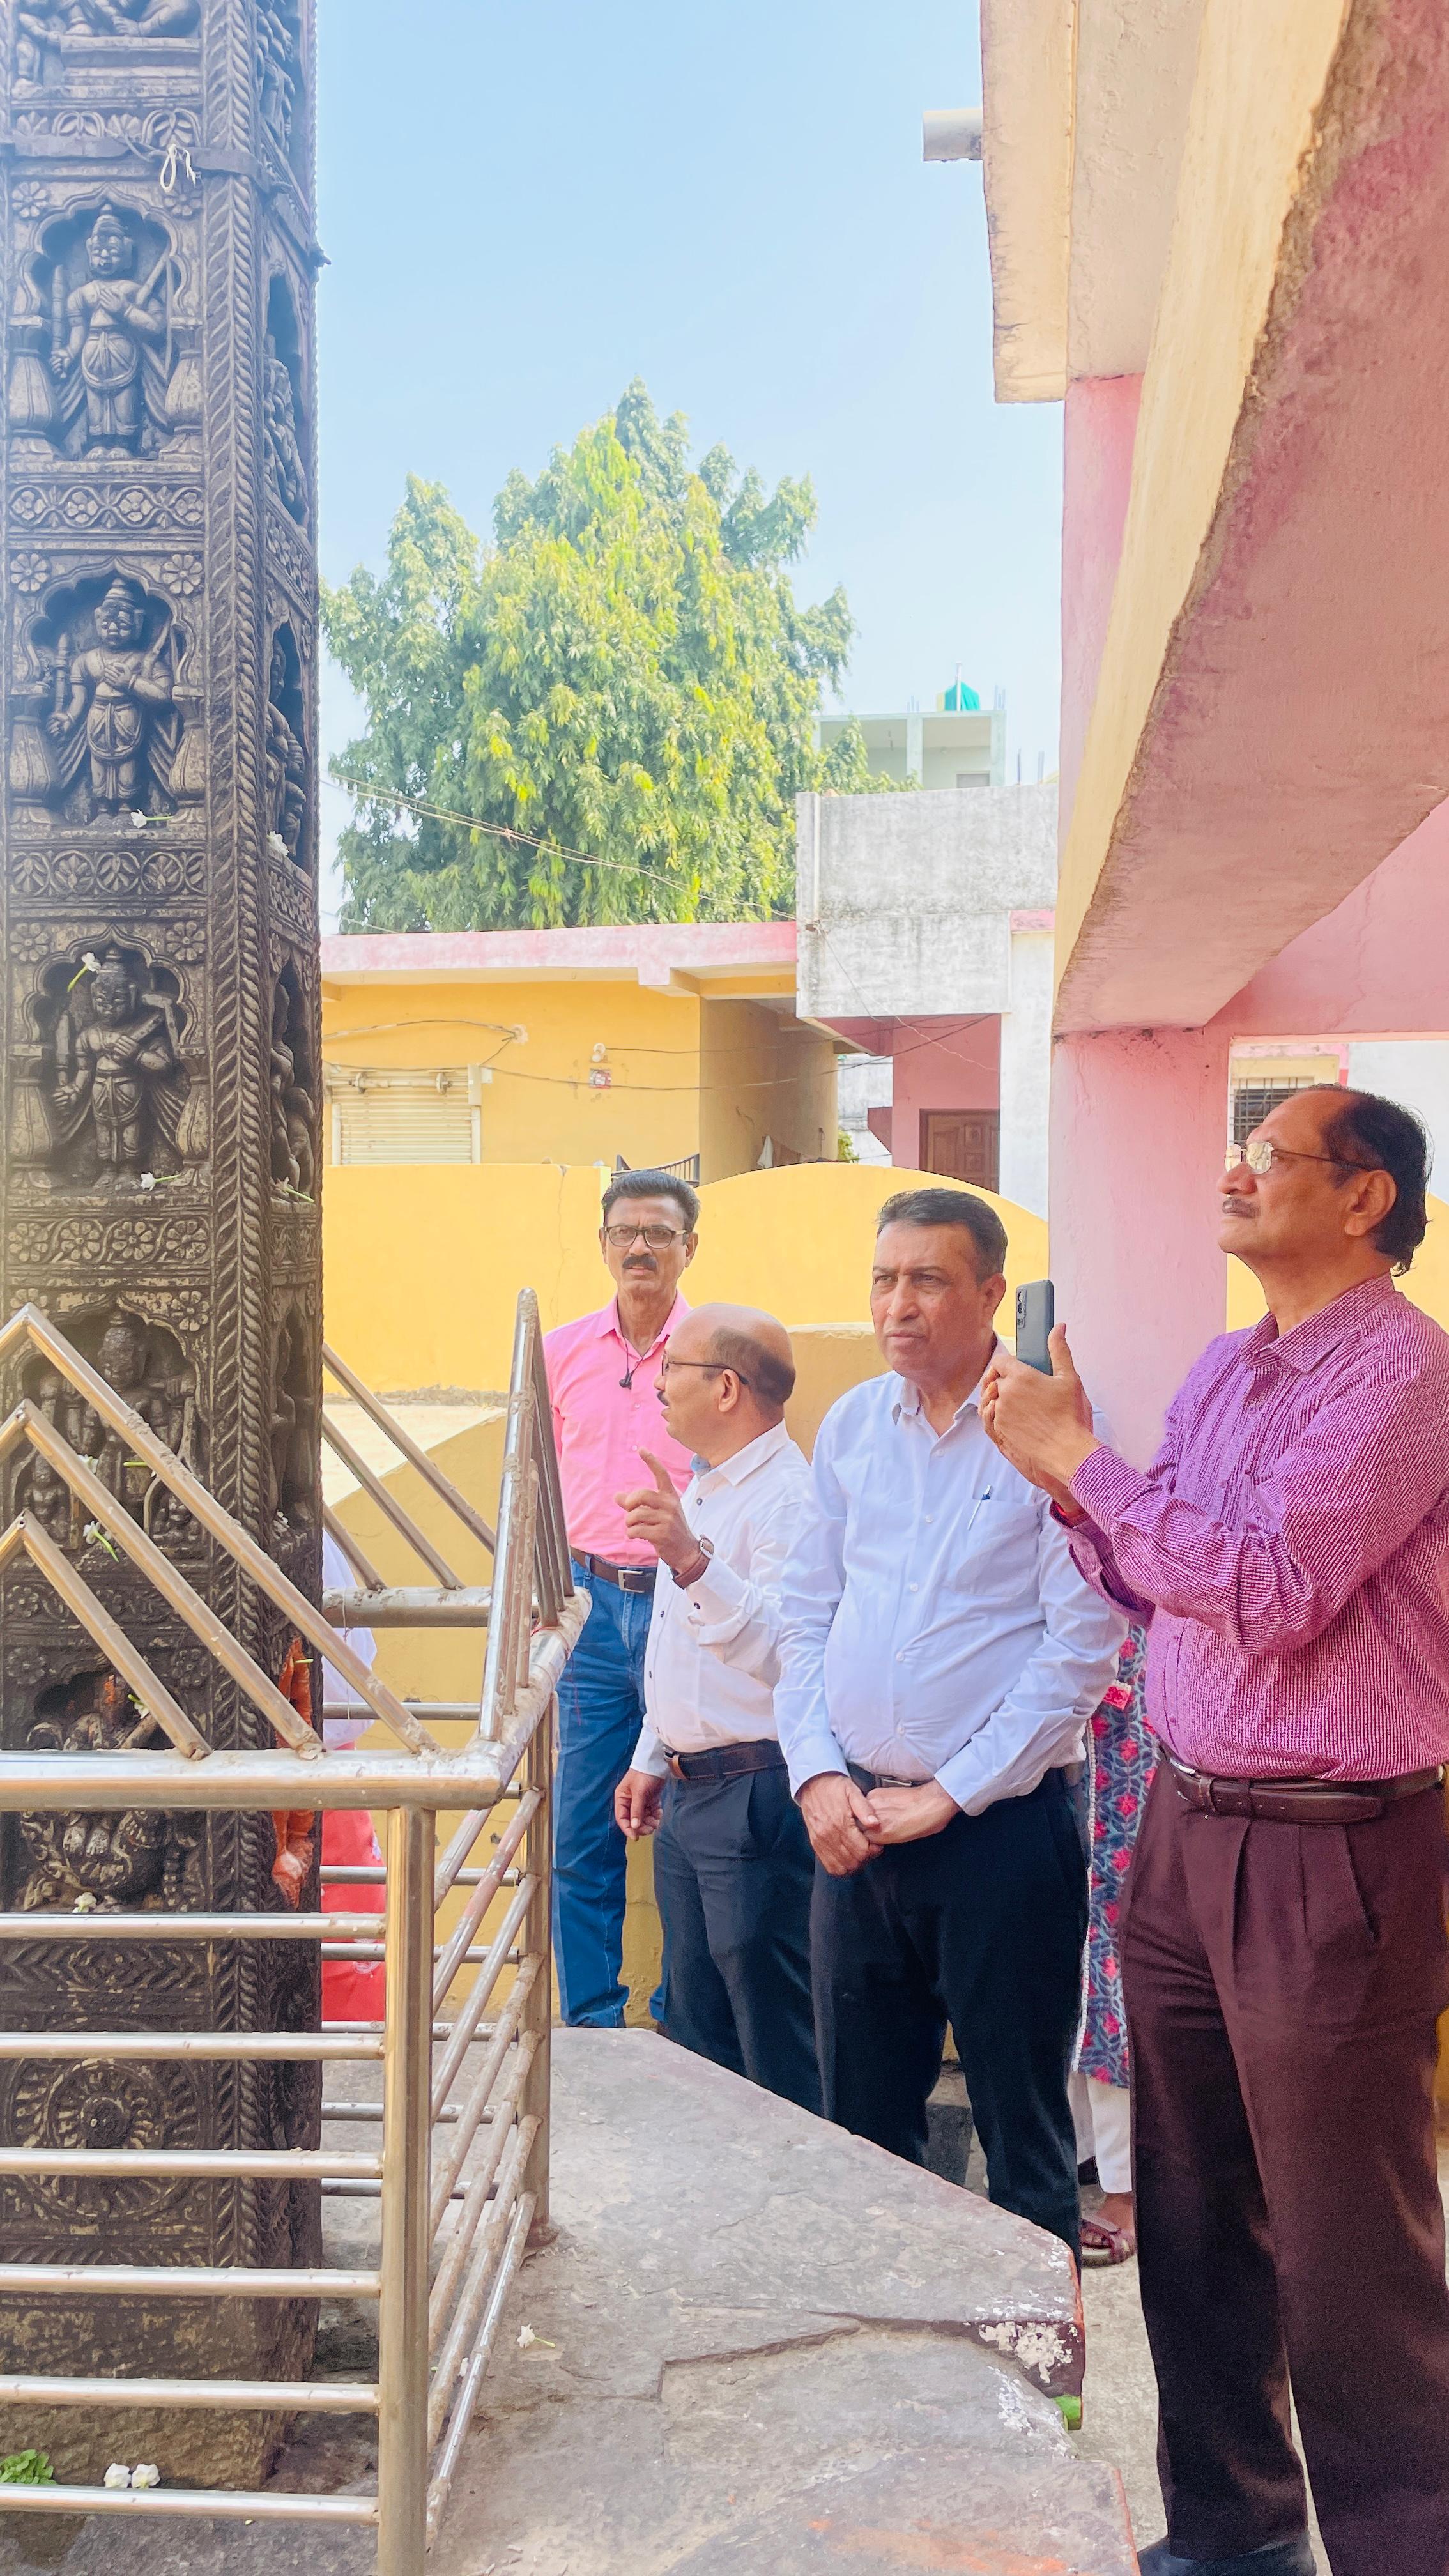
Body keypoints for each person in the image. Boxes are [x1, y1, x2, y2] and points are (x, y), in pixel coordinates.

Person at [982, 1086, 1449, 2576]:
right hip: (1185, 1825)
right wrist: (1076, 1498)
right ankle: (1232, 2539)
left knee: (1349, 2249)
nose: (1235, 1174)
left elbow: (1273, 1588)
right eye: (1237, 1151)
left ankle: (1403, 2551)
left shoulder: (1407, 1375)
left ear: (1366, 1198)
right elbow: (1160, 1580)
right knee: (1191, 2218)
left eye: (1271, 1155)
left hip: (1334, 1847)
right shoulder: (1227, 1365)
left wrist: (1085, 1466)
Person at [774, 1187, 1126, 2256]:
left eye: (928, 1280)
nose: (899, 1304)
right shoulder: (851, 1425)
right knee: (863, 2133)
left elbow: (1080, 1650)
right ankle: (884, 2338)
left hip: (999, 1838)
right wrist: (815, 1775)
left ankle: (1037, 2353)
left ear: (990, 1293)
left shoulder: (1044, 1432)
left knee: (1021, 2134)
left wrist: (950, 1793)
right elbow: (804, 1615)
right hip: (854, 1833)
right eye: (884, 1279)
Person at [613, 1304, 819, 2113]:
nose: (657, 1383)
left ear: (727, 1388)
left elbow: (788, 1654)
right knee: (699, 2033)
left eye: (673, 1367)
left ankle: (798, 2182)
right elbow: (679, 1644)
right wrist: (652, 1754)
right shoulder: (704, 1487)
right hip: (692, 1793)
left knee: (773, 2031)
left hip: (757, 1793)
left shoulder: (788, 1500)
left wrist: (690, 1558)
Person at [544, 1169, 700, 2027]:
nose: (641, 1248)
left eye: (659, 1233)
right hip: (588, 1611)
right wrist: (538, 1601)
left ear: (688, 1248)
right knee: (581, 1831)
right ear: (603, 1245)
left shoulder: (714, 1353)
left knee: (691, 1829)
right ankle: (593, 2026)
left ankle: (682, 2023)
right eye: (625, 1233)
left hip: (688, 1607)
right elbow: (531, 1483)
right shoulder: (561, 1351)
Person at [1070, 1625, 1153, 2266]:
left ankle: (1128, 2189)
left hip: (1126, 1759)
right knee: (1059, 1967)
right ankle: (1074, 2154)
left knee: (1112, 1975)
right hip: (1056, 1766)